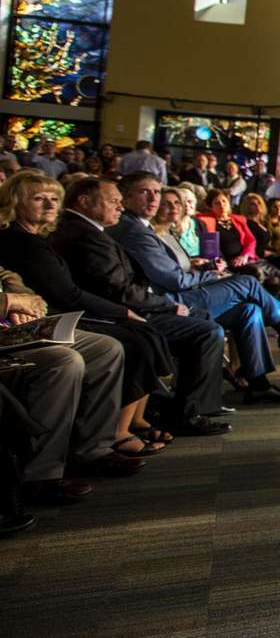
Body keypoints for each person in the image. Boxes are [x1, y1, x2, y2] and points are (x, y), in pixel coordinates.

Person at [110, 172, 280, 404]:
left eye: (158, 193)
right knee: (248, 282)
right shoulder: (135, 230)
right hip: (170, 301)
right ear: (125, 197)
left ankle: (259, 384)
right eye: (145, 192)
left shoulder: (156, 230)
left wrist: (203, 270)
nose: (155, 199)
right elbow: (174, 280)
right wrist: (208, 274)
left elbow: (175, 270)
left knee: (250, 310)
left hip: (182, 289)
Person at [0, 171, 174, 454]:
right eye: (39, 199)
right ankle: (106, 437)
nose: (49, 205)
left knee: (135, 336)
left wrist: (21, 298)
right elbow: (66, 294)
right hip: (48, 317)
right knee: (129, 341)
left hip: (46, 312)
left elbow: (12, 279)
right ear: (15, 202)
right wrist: (123, 311)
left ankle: (112, 434)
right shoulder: (21, 240)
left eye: (54, 198)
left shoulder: (36, 237)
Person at [50, 177, 230, 437]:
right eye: (114, 201)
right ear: (84, 202)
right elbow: (120, 289)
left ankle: (171, 407)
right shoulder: (98, 233)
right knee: (207, 330)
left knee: (220, 314)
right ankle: (181, 414)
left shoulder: (97, 230)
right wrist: (166, 305)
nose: (119, 208)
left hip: (131, 303)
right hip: (111, 313)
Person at [1, 265, 140, 504]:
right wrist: (7, 301)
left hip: (8, 327)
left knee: (106, 348)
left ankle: (92, 450)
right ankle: (39, 476)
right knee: (63, 361)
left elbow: (4, 274)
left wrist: (25, 299)